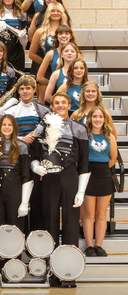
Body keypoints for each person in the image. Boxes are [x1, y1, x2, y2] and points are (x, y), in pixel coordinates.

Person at [30, 93, 90, 261]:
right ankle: (50, 262)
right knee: (49, 220)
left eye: (63, 102)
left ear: (69, 106)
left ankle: (69, 263)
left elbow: (84, 162)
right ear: (52, 107)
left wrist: (81, 191)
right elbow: (34, 155)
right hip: (49, 179)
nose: (60, 105)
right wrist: (36, 167)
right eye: (56, 103)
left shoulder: (79, 128)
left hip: (70, 176)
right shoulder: (42, 128)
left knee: (71, 222)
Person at [0, 115, 31, 232]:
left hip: (15, 191)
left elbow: (26, 175)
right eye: (4, 124)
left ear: (14, 127)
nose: (6, 127)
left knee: (16, 229)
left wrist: (24, 202)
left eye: (10, 125)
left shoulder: (22, 146)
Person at [82, 106, 117, 257]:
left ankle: (99, 245)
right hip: (88, 175)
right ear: (90, 119)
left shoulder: (110, 137)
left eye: (100, 117)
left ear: (105, 119)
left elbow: (113, 158)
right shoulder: (84, 135)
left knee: (101, 214)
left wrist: (102, 168)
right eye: (94, 116)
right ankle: (89, 246)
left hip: (104, 175)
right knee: (89, 214)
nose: (97, 119)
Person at [30, 3, 71, 94]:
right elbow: (31, 54)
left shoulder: (68, 31)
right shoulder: (40, 31)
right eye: (52, 11)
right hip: (46, 71)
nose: (55, 13)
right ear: (48, 13)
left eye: (58, 11)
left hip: (64, 69)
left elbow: (74, 49)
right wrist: (47, 63)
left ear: (62, 13)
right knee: (45, 99)